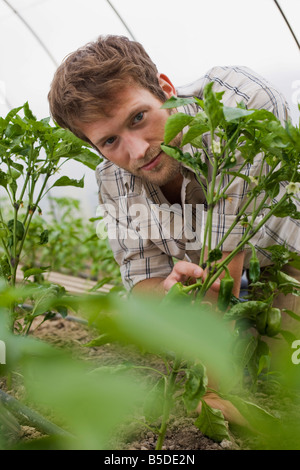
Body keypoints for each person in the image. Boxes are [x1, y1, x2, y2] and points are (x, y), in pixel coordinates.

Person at [48, 35, 300, 424]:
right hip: (214, 276)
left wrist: (212, 392)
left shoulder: (240, 109)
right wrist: (168, 295)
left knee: (288, 377)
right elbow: (141, 278)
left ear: (165, 90)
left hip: (287, 256)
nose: (136, 151)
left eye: (138, 118)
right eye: (110, 141)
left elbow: (223, 261)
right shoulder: (114, 179)